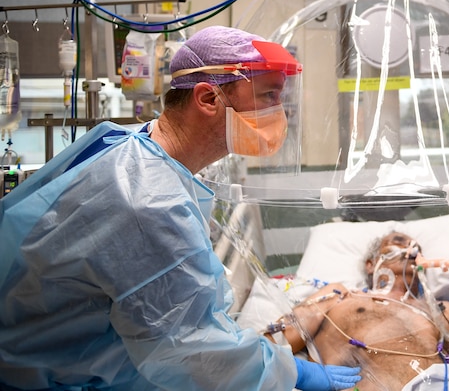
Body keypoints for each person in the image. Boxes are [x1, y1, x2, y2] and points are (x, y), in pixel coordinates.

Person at [0, 26, 360, 391]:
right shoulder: (147, 201)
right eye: (268, 96)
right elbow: (195, 351)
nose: (279, 114)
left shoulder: (136, 147)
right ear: (208, 99)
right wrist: (292, 372)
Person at [264, 231, 449, 391]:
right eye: (399, 242)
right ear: (370, 264)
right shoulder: (339, 295)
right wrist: (304, 373)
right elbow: (268, 346)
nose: (410, 250)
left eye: (417, 249)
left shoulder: (440, 310)